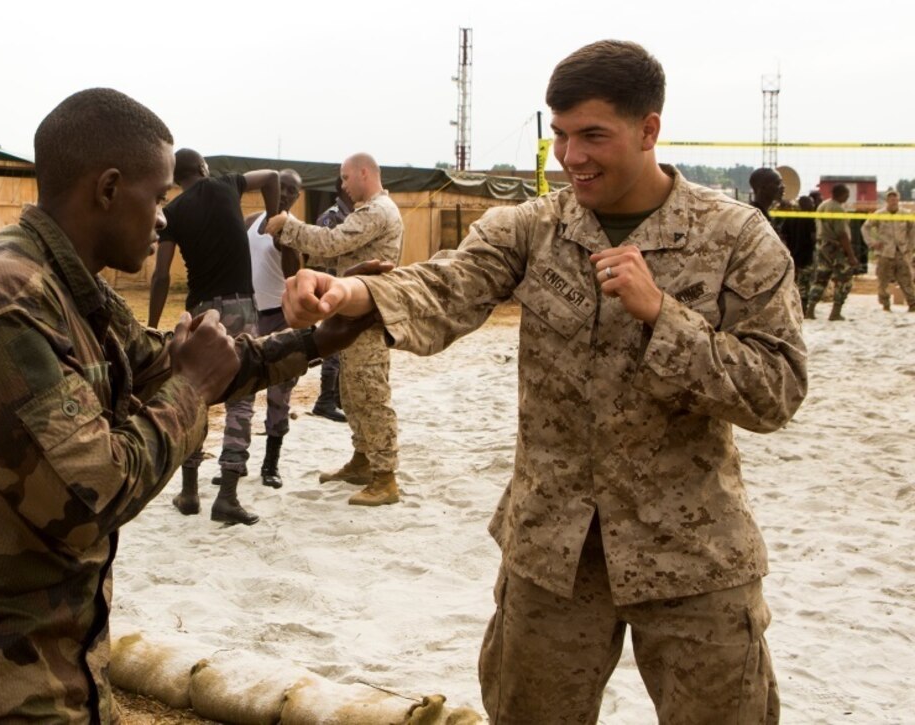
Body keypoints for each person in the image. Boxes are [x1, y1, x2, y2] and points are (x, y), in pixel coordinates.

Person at [283, 40, 806, 723]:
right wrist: (349, 292)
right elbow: (447, 286)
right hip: (552, 553)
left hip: (693, 554)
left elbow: (778, 388)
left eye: (594, 135)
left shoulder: (737, 237)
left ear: (649, 129)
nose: (572, 156)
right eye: (560, 134)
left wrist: (662, 317)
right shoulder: (534, 228)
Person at [0, 88, 366, 722]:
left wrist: (313, 340)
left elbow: (159, 361)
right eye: (158, 197)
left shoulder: (67, 286)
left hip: (52, 659)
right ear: (108, 189)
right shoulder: (3, 302)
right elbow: (92, 494)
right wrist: (191, 390)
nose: (164, 217)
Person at [148, 149, 280, 525]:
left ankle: (189, 492)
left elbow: (160, 276)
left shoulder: (171, 213)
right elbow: (271, 175)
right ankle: (227, 497)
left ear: (175, 179)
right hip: (242, 305)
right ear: (204, 168)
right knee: (241, 399)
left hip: (203, 309)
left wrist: (155, 325)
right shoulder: (227, 184)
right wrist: (274, 219)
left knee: (196, 394)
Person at [266, 153, 403, 506]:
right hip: (355, 314)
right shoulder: (372, 210)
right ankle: (362, 461)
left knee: (371, 393)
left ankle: (385, 478)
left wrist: (289, 226)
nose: (342, 186)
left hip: (369, 316)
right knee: (353, 390)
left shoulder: (378, 212)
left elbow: (332, 243)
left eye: (345, 178)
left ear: (363, 173)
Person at [246, 169, 304, 488]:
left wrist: (285, 238)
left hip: (281, 317)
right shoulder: (251, 221)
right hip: (250, 315)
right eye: (281, 187)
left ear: (297, 197)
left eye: (291, 191)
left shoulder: (293, 229)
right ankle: (236, 458)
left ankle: (270, 464)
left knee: (278, 393)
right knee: (241, 388)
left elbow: (294, 274)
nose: (284, 194)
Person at [308, 177, 355, 423]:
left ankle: (336, 397)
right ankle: (324, 400)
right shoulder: (331, 217)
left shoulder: (356, 216)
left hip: (348, 289)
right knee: (334, 347)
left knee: (346, 343)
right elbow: (322, 254)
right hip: (332, 287)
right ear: (344, 189)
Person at [806, 183, 858, 320]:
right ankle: (835, 312)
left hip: (822, 245)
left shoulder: (822, 205)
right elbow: (842, 234)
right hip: (835, 247)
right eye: (847, 194)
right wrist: (851, 255)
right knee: (844, 279)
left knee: (820, 278)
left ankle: (810, 310)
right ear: (841, 194)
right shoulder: (837, 209)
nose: (848, 197)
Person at [861, 189, 915, 312]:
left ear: (898, 200)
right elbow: (865, 228)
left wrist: (910, 248)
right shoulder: (879, 214)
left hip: (901, 252)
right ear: (887, 201)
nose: (893, 202)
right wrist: (872, 243)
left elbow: (912, 231)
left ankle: (912, 303)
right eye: (891, 199)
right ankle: (885, 304)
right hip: (885, 252)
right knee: (883, 280)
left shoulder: (905, 214)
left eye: (895, 199)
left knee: (906, 279)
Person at [783, 195, 819, 311]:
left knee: (793, 280)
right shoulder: (809, 218)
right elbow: (813, 236)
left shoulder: (791, 217)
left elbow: (783, 234)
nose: (813, 205)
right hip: (805, 254)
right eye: (811, 203)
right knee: (805, 281)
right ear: (806, 205)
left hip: (792, 253)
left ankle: (792, 305)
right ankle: (803, 307)